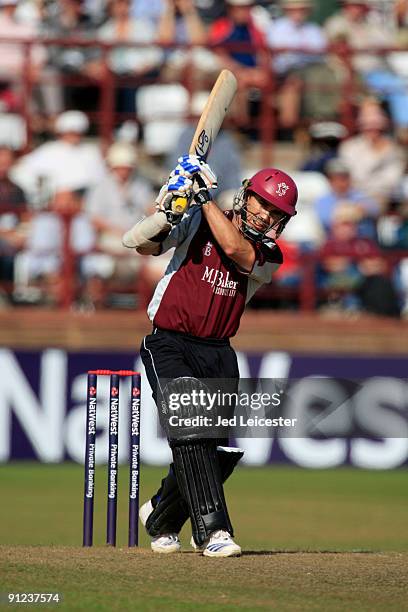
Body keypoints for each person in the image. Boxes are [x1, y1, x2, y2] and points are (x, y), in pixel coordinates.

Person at [122, 155, 298, 557]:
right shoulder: (197, 220)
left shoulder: (269, 255)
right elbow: (138, 243)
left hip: (219, 352)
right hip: (169, 343)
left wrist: (202, 197)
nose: (267, 215)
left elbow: (236, 250)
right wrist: (171, 208)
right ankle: (214, 533)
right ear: (246, 196)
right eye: (263, 204)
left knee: (214, 452)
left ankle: (161, 516)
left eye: (276, 212)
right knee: (191, 434)